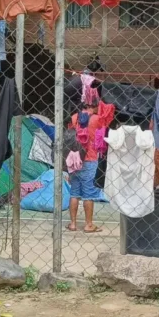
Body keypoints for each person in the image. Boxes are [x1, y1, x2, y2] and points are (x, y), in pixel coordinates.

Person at [68, 100, 103, 233]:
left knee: (74, 192)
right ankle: (89, 224)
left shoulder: (74, 117)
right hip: (90, 158)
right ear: (95, 106)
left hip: (75, 159)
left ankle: (72, 224)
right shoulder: (97, 119)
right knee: (89, 193)